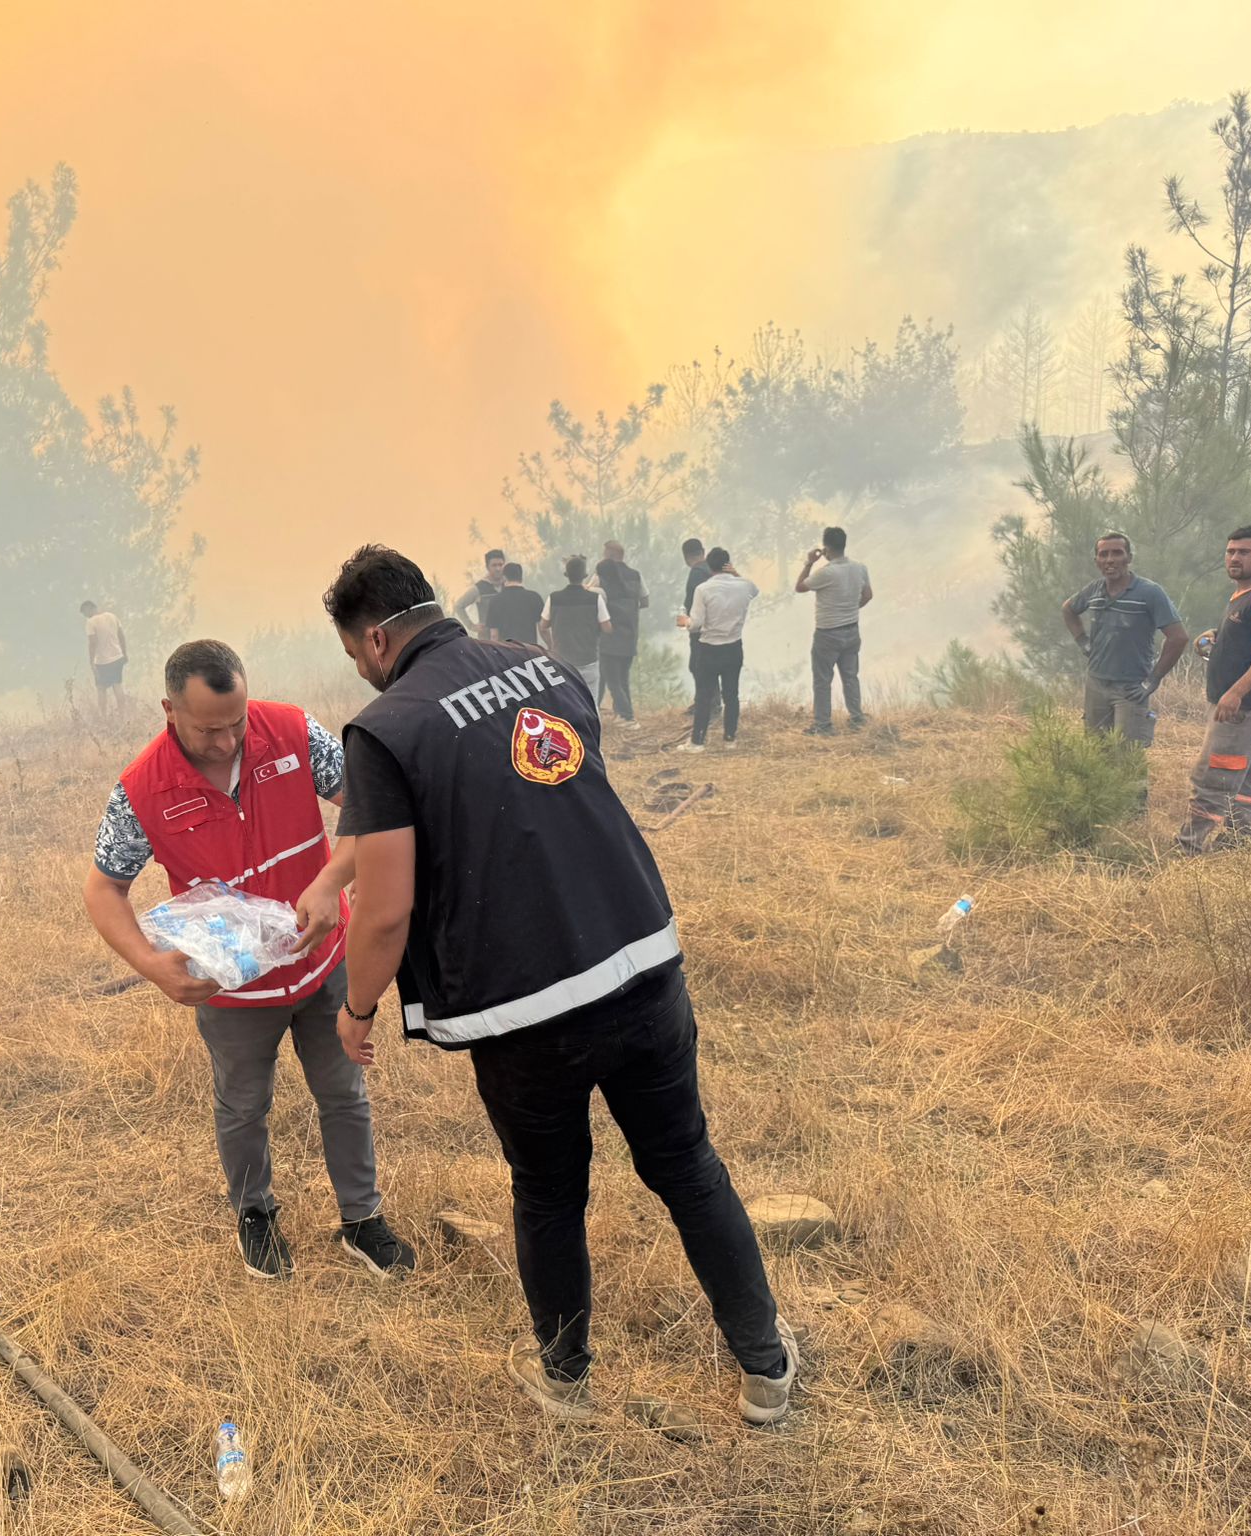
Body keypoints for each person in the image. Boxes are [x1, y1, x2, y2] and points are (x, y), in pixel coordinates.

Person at [321, 544, 796, 1429]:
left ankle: (567, 1379)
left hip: (525, 1006)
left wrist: (355, 1010)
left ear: (377, 638)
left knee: (547, 1192)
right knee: (688, 1167)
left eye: (355, 653)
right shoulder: (544, 667)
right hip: (637, 956)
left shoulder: (386, 730)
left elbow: (383, 913)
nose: (361, 670)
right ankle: (765, 1368)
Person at [83, 639, 414, 1282]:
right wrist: (151, 965)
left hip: (324, 965)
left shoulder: (291, 731)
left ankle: (362, 1219)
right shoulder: (142, 789)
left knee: (343, 1093)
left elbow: (373, 805)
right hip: (233, 991)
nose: (229, 741)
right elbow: (103, 889)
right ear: (169, 711)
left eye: (236, 722)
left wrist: (332, 881)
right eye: (209, 729)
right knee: (242, 1106)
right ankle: (255, 1215)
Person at [1177, 527, 1251, 854]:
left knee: (1215, 772)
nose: (1235, 558)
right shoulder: (1245, 593)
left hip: (1243, 706)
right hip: (1241, 703)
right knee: (1245, 770)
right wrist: (1218, 638)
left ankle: (1188, 846)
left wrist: (1236, 692)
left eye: (1244, 552)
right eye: (1231, 552)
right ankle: (1240, 839)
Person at [1060, 532, 1188, 747]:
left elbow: (1178, 638)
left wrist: (1152, 680)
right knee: (1095, 752)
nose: (1110, 560)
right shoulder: (1094, 590)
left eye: (1117, 553)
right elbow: (1068, 609)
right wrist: (1083, 642)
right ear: (1096, 560)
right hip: (1096, 683)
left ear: (1129, 557)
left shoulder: (1150, 592)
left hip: (1131, 688)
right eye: (1103, 554)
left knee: (1127, 755)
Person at [795, 526, 872, 735]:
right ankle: (857, 719)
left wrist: (809, 562)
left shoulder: (826, 572)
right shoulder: (860, 568)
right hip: (852, 631)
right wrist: (850, 610)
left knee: (822, 681)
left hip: (827, 634)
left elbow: (800, 587)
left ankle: (823, 726)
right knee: (850, 677)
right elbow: (868, 595)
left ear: (826, 549)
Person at [684, 548, 757, 752]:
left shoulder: (703, 589)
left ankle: (698, 741)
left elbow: (696, 624)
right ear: (727, 564)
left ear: (709, 566)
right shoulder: (744, 585)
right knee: (731, 694)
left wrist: (685, 622)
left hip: (709, 648)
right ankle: (730, 739)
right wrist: (736, 573)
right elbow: (755, 591)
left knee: (704, 696)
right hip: (733, 646)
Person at [593, 540, 647, 729]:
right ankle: (620, 714)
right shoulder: (635, 575)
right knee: (622, 678)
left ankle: (626, 715)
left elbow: (590, 597)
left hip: (609, 636)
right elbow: (645, 601)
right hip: (630, 634)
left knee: (611, 679)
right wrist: (628, 609)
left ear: (610, 554)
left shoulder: (602, 577)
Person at [539, 555, 612, 692]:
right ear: (585, 575)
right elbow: (607, 628)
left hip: (562, 661)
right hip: (588, 659)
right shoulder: (595, 599)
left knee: (565, 701)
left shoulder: (554, 598)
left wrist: (551, 646)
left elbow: (543, 626)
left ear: (566, 574)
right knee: (590, 702)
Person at [677, 538, 715, 747]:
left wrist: (686, 622)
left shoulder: (696, 573)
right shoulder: (712, 569)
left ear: (686, 557)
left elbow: (691, 602)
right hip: (716, 627)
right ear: (702, 551)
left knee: (698, 667)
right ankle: (710, 702)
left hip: (699, 628)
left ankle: (707, 704)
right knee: (708, 666)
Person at [80, 601, 129, 715]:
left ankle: (103, 716)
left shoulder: (91, 622)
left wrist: (91, 661)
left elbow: (92, 643)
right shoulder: (112, 616)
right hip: (117, 657)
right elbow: (121, 636)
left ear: (89, 608)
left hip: (102, 661)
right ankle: (122, 714)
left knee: (101, 688)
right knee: (117, 685)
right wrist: (124, 653)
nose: (86, 616)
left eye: (85, 613)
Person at [486, 562, 544, 646]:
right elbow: (543, 629)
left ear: (504, 578)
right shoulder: (534, 597)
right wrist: (550, 645)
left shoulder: (495, 601)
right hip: (529, 649)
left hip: (507, 651)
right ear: (521, 578)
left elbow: (494, 635)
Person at [454, 549, 508, 638]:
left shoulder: (509, 585)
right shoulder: (479, 588)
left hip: (508, 638)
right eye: (494, 565)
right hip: (487, 639)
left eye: (500, 565)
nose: (498, 569)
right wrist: (471, 626)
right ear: (487, 567)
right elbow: (458, 606)